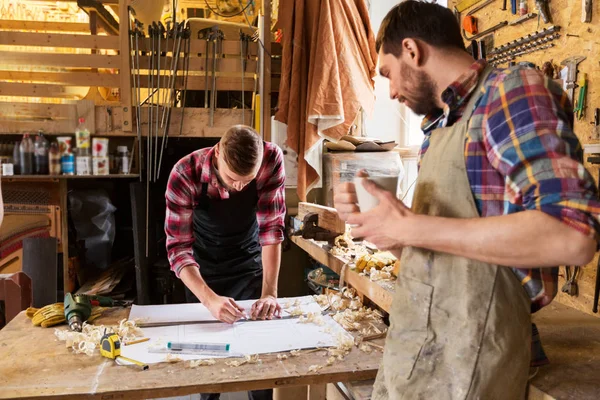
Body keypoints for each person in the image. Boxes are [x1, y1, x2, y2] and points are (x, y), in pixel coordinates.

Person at [334, 2, 600, 399]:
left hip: (475, 359)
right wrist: (392, 236)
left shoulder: (511, 92)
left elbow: (572, 235)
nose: (390, 91)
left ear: (412, 49)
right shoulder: (441, 129)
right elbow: (449, 258)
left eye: (387, 73)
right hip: (419, 349)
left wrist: (411, 227)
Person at [165, 125, 286, 400]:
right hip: (202, 267)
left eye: (248, 180)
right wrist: (209, 301)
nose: (241, 187)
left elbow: (271, 230)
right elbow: (179, 249)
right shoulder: (185, 173)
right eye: (233, 178)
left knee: (259, 360)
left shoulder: (271, 159)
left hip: (247, 258)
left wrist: (270, 293)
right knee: (208, 363)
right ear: (217, 153)